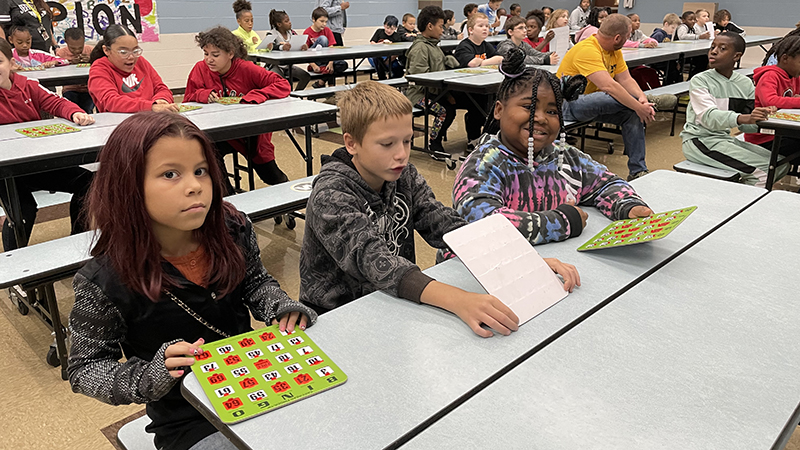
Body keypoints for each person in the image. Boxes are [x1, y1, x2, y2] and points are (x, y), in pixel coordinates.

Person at [67, 112, 316, 450]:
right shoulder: (104, 280)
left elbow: (255, 282)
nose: (195, 185)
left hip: (256, 381)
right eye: (171, 174)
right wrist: (149, 375)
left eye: (200, 171)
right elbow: (86, 370)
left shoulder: (231, 228)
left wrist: (280, 306)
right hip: (188, 420)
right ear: (128, 186)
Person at [299, 81, 579, 336]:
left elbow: (445, 224)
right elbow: (375, 262)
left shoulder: (402, 175)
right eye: (387, 144)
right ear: (351, 143)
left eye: (407, 141)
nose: (401, 154)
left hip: (391, 303)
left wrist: (520, 260)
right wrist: (459, 300)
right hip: (335, 319)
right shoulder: (332, 193)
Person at [455, 48, 652, 246]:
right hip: (490, 269)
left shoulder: (565, 156)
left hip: (556, 263)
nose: (540, 118)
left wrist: (628, 205)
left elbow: (605, 183)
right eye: (529, 107)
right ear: (499, 110)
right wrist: (563, 221)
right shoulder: (482, 165)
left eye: (552, 111)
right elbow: (484, 225)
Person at [0, 39, 94, 250]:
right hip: (4, 172)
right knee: (22, 210)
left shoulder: (27, 85)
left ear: (11, 63)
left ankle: (77, 244)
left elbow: (56, 102)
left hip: (34, 162)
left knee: (90, 184)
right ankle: (15, 268)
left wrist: (75, 112)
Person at [184, 26, 291, 188]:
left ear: (230, 54)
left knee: (270, 175)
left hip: (251, 133)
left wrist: (257, 95)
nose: (209, 60)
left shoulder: (246, 68)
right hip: (219, 131)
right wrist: (202, 94)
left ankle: (286, 197)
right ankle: (227, 198)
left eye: (215, 55)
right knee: (208, 151)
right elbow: (188, 99)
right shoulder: (200, 69)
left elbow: (283, 85)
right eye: (206, 54)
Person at [681, 32, 787, 187]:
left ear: (736, 56)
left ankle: (735, 192)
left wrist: (764, 115)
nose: (714, 51)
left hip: (724, 139)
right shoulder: (700, 80)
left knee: (781, 164)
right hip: (700, 141)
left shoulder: (745, 84)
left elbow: (746, 127)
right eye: (713, 47)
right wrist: (744, 118)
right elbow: (709, 117)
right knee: (764, 171)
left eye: (722, 48)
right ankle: (744, 207)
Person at [557, 14, 654, 181]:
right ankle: (653, 102)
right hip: (569, 105)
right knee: (611, 95)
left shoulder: (614, 51)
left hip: (595, 104)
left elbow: (625, 79)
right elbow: (609, 86)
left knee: (631, 113)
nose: (629, 38)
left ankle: (638, 171)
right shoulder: (587, 49)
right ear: (618, 38)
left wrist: (641, 97)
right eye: (628, 35)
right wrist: (638, 105)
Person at [404, 5, 459, 152]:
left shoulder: (434, 46)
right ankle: (434, 144)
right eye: (440, 26)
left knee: (452, 107)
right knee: (443, 111)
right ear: (429, 26)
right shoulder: (420, 48)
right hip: (418, 95)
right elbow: (419, 80)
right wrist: (443, 94)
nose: (442, 30)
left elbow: (439, 71)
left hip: (434, 92)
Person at [88, 25, 177, 113]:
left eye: (135, 51)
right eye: (123, 52)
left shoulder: (141, 62)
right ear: (106, 50)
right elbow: (111, 102)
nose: (131, 57)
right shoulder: (99, 68)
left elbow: (161, 88)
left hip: (150, 118)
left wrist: (161, 100)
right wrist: (151, 107)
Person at [745, 36, 800, 160]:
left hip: (783, 132)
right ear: (785, 58)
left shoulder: (794, 76)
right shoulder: (770, 76)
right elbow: (770, 101)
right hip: (764, 138)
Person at [265, 9, 311, 90]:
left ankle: (296, 95)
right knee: (285, 82)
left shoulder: (292, 33)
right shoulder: (271, 34)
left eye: (289, 20)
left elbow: (297, 42)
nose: (290, 22)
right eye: (286, 21)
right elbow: (271, 47)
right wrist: (281, 47)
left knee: (305, 76)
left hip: (288, 65)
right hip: (276, 66)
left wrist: (303, 46)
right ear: (279, 24)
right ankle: (287, 97)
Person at [303, 7, 347, 88]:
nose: (324, 24)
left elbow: (331, 48)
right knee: (322, 39)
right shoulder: (307, 32)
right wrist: (313, 65)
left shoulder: (327, 30)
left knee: (343, 64)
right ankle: (329, 84)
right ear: (314, 19)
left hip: (326, 59)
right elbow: (305, 53)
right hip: (316, 60)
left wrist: (330, 62)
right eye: (321, 21)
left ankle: (321, 82)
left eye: (326, 22)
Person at [55, 27, 95, 113]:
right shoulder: (61, 54)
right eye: (73, 48)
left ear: (84, 41)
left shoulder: (91, 51)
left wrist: (91, 60)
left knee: (87, 110)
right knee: (72, 110)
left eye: (80, 48)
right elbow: (57, 72)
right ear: (66, 42)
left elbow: (100, 65)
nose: (77, 51)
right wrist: (69, 63)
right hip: (70, 88)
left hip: (88, 88)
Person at [650, 14, 682, 85]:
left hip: (665, 58)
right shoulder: (658, 35)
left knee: (677, 67)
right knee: (671, 68)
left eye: (675, 29)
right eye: (672, 28)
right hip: (657, 60)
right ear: (666, 24)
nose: (673, 30)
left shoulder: (669, 35)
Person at [369, 15, 404, 80]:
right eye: (387, 28)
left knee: (397, 67)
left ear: (396, 28)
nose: (389, 30)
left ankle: (393, 81)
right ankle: (382, 79)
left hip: (391, 58)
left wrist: (388, 60)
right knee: (376, 58)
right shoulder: (379, 32)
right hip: (377, 57)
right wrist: (381, 43)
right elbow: (372, 43)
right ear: (384, 25)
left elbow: (398, 52)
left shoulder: (397, 36)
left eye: (392, 29)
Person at [675, 11, 709, 78]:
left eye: (694, 20)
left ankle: (696, 76)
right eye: (690, 20)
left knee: (704, 58)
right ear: (683, 20)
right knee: (701, 60)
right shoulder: (683, 27)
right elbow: (682, 36)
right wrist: (698, 37)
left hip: (689, 51)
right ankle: (693, 77)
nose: (693, 21)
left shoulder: (693, 29)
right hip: (680, 53)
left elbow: (697, 35)